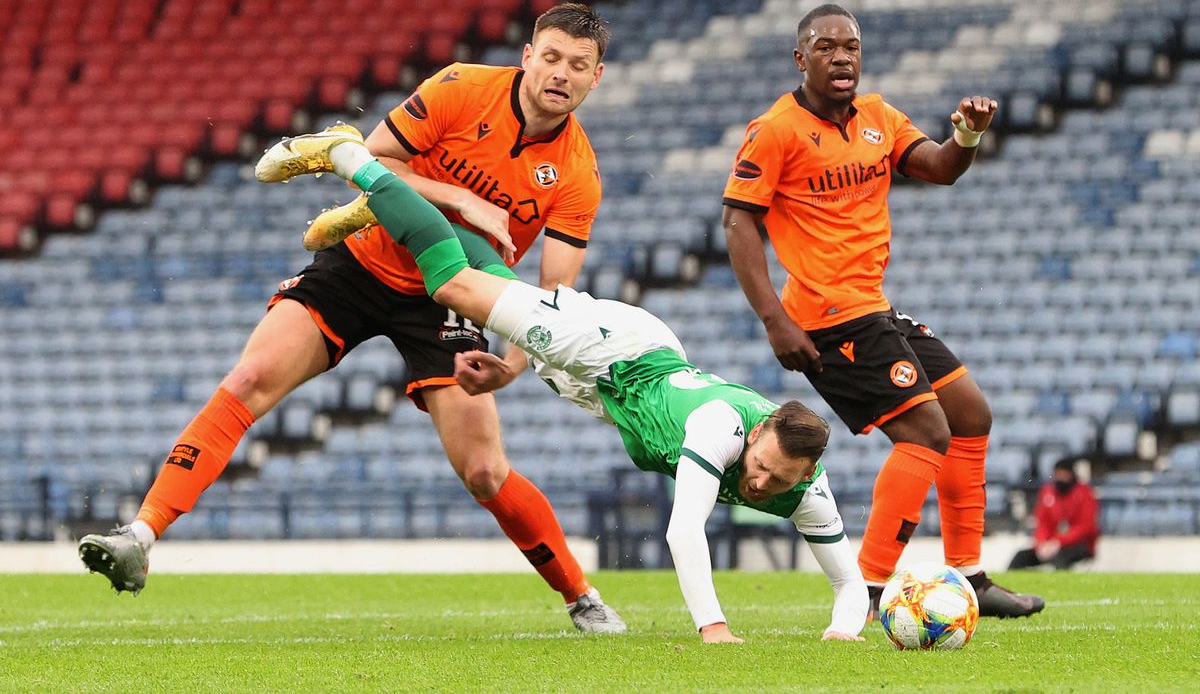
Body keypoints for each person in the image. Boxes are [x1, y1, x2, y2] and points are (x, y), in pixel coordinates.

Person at [79, 4, 626, 633]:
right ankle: (140, 537)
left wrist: (510, 367)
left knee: (484, 471)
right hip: (362, 264)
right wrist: (461, 198)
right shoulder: (460, 87)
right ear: (528, 56)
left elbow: (551, 301)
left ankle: (581, 597)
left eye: (577, 66)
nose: (560, 74)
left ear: (596, 77)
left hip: (448, 296)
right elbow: (375, 159)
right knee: (249, 379)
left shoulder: (578, 176)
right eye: (551, 57)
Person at [245, 126, 870, 643]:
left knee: (491, 287)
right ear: (756, 434)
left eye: (777, 482)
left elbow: (849, 586)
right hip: (621, 353)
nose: (761, 484)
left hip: (601, 393)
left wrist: (841, 640)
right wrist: (714, 628)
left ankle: (390, 207)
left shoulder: (804, 488)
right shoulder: (722, 429)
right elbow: (684, 530)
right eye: (763, 466)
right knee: (455, 288)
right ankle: (351, 155)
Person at [721, 3, 1044, 618]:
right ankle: (867, 590)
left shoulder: (878, 117)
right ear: (801, 58)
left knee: (970, 413)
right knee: (927, 432)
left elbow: (940, 167)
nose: (842, 58)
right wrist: (773, 319)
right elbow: (739, 222)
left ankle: (969, 576)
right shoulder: (776, 130)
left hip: (871, 307)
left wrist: (968, 135)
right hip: (825, 317)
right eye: (825, 47)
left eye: (851, 47)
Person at [1009, 459, 1099, 570]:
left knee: (1060, 558)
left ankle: (1061, 587)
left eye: (1064, 475)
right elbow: (1042, 521)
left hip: (1080, 544)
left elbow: (1086, 526)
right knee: (1020, 558)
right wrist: (1042, 543)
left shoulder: (1085, 493)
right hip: (1050, 544)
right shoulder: (1048, 492)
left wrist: (1059, 542)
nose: (1061, 478)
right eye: (1058, 474)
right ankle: (1006, 586)